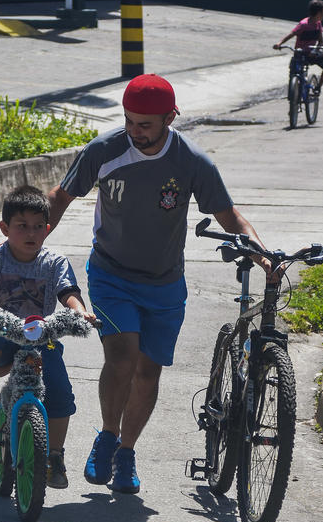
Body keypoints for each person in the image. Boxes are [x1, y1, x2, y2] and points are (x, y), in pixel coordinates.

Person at [46, 73, 273, 495]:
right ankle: (107, 437)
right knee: (121, 356)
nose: (136, 132)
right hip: (111, 273)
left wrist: (263, 254)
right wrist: (31, 241)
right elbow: (61, 197)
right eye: (130, 122)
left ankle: (126, 452)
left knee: (148, 372)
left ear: (171, 117)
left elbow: (230, 215)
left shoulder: (192, 162)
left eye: (146, 124)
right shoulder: (104, 150)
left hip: (166, 282)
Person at [0, 184, 96, 489]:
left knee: (60, 394)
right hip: (3, 331)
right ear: (5, 227)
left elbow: (68, 292)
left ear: (47, 229)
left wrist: (80, 312)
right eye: (21, 226)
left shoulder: (54, 261)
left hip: (40, 337)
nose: (30, 233)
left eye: (38, 227)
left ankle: (55, 457)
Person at [273, 0, 323, 94]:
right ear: (318, 13)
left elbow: (320, 42)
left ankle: (318, 86)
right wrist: (279, 43)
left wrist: (315, 51)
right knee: (294, 71)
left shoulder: (318, 24)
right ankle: (293, 94)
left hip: (312, 53)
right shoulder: (303, 24)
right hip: (300, 54)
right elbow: (291, 34)